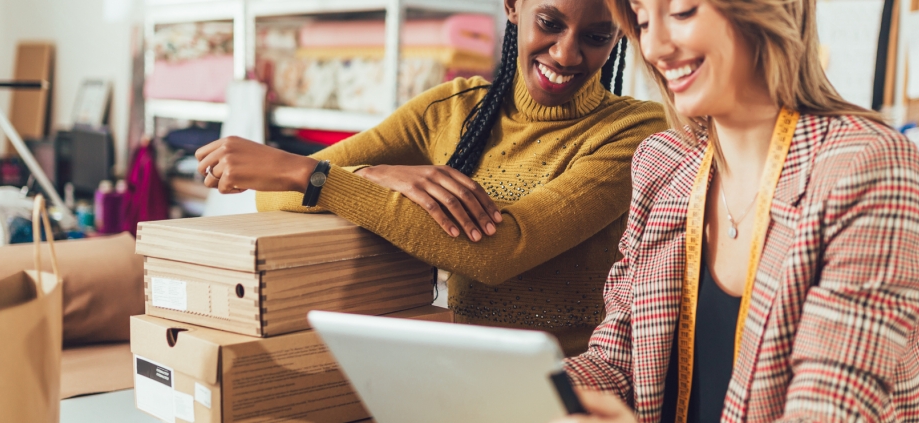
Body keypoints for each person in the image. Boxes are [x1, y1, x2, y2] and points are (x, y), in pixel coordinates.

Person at [193, 0, 667, 356]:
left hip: (570, 384)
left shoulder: (636, 131)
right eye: (550, 23)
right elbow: (274, 195)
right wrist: (375, 176)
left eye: (597, 36)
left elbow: (503, 249)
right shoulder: (452, 108)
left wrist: (315, 176)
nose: (567, 54)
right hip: (452, 367)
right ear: (513, 7)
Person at [554, 0, 919, 421]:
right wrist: (532, 392)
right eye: (643, 20)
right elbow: (617, 361)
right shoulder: (662, 163)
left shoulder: (869, 166)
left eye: (681, 11)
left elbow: (826, 409)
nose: (654, 47)